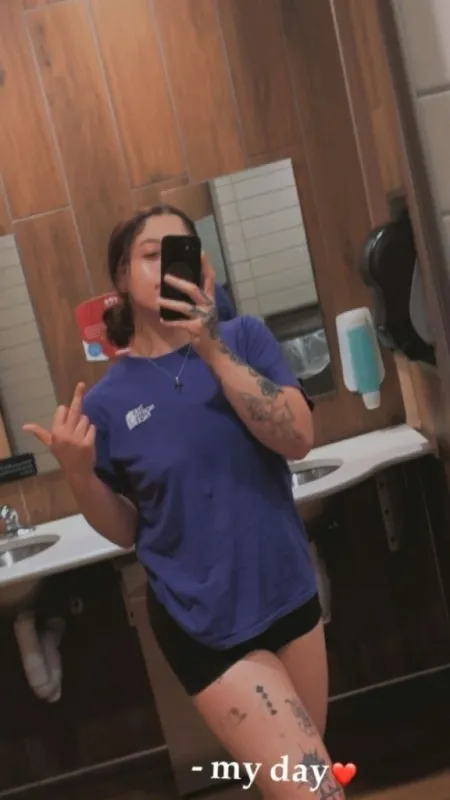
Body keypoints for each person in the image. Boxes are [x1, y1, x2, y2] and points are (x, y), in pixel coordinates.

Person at [24, 206, 345, 799]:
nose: (168, 264)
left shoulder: (244, 338)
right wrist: (78, 474)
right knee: (315, 790)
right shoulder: (109, 402)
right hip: (205, 621)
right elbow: (126, 529)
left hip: (287, 592)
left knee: (296, 783)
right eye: (152, 254)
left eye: (181, 251)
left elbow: (297, 438)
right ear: (122, 278)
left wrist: (212, 349)